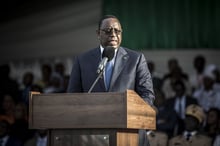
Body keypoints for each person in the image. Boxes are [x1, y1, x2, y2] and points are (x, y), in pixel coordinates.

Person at [67, 15, 155, 146]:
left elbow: (147, 95)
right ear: (98, 33)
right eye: (108, 31)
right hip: (93, 134)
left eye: (117, 31)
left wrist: (129, 113)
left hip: (129, 133)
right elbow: (72, 97)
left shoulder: (135, 59)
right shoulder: (82, 60)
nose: (113, 34)